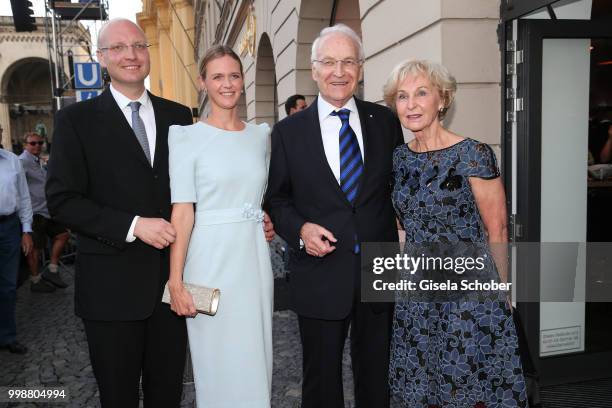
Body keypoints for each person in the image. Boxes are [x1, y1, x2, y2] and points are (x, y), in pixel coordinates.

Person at [46, 18, 192, 407]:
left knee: (168, 396)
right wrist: (133, 225)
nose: (131, 55)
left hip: (170, 288)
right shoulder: (76, 121)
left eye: (139, 46)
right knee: (118, 398)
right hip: (110, 292)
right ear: (102, 59)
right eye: (118, 48)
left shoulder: (178, 115)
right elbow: (62, 200)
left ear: (148, 54)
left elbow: (191, 195)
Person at [265, 24, 404, 408]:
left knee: (377, 375)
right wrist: (300, 230)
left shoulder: (385, 122)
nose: (338, 71)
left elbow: (397, 190)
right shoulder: (287, 133)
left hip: (379, 267)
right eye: (329, 62)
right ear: (314, 69)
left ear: (360, 67)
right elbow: (276, 200)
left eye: (347, 62)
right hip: (319, 273)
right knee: (322, 379)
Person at [384, 59, 527, 407]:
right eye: (402, 97)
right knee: (423, 385)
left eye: (421, 93)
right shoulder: (400, 158)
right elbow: (403, 226)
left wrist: (503, 290)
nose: (411, 104)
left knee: (464, 383)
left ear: (442, 99)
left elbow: (498, 228)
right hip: (418, 290)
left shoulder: (473, 154)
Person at [167, 44, 274, 408]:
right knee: (215, 363)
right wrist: (176, 281)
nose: (227, 84)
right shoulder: (185, 137)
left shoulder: (261, 135)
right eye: (217, 77)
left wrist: (264, 217)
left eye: (233, 75)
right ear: (203, 82)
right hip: (208, 261)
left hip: (254, 260)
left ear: (242, 81)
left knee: (255, 357)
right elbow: (182, 213)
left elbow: (257, 197)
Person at [19, 132, 70, 293]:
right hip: (33, 212)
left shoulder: (38, 161)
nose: (37, 146)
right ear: (25, 145)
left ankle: (52, 269)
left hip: (46, 210)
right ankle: (35, 280)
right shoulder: (22, 161)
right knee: (35, 248)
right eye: (33, 143)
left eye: (40, 143)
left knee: (63, 235)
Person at [0, 141, 33, 355]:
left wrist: (26, 230)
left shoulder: (12, 160)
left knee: (8, 286)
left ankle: (7, 336)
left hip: (9, 227)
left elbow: (24, 197)